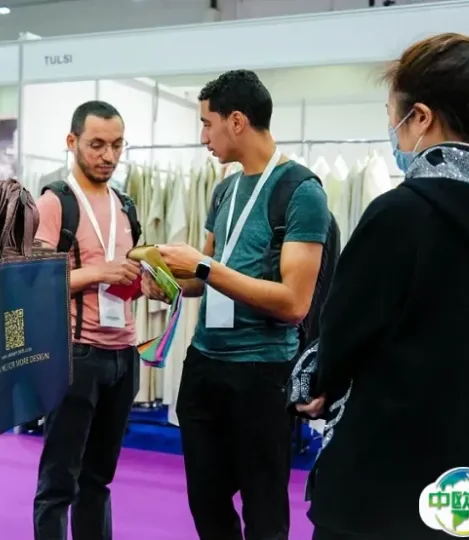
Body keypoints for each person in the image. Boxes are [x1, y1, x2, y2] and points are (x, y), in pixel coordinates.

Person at [297, 25, 469, 539]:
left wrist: (311, 381)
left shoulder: (404, 213)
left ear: (421, 117)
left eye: (393, 116)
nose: (393, 132)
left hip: (384, 488)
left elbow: (341, 337)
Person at [152, 70, 331, 540]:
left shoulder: (302, 191)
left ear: (236, 121)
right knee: (206, 502)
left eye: (206, 124)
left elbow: (294, 303)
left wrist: (203, 266)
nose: (203, 137)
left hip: (262, 373)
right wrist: (164, 280)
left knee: (264, 510)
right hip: (204, 365)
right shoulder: (224, 190)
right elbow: (202, 281)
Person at [33, 100, 144, 540]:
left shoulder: (126, 205)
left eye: (117, 145)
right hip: (75, 355)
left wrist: (148, 283)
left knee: (98, 480)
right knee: (59, 481)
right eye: (97, 144)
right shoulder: (54, 202)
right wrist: (100, 272)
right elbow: (36, 281)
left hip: (124, 354)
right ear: (72, 141)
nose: (108, 156)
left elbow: (125, 275)